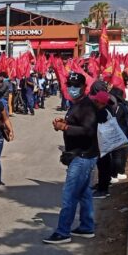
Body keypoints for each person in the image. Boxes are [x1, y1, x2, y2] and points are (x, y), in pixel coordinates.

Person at [43, 72, 99, 244]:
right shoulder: (77, 104)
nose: (72, 89)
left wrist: (65, 127)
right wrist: (64, 123)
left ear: (84, 87)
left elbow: (88, 131)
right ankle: (87, 226)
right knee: (84, 193)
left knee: (70, 195)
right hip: (80, 155)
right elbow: (78, 124)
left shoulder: (87, 106)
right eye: (70, 85)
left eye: (76, 86)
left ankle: (63, 232)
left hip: (82, 156)